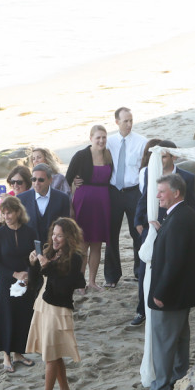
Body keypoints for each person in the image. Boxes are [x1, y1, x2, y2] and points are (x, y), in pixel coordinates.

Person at [138, 174, 195, 390]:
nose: (157, 195)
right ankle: (178, 379)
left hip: (172, 293)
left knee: (164, 341)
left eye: (162, 191)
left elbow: (175, 261)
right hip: (181, 292)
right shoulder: (181, 215)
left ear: (176, 193)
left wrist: (160, 292)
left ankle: (160, 387)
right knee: (178, 339)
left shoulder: (179, 219)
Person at [129, 140, 195, 327]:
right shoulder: (152, 172)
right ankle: (142, 310)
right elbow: (145, 198)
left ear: (173, 156)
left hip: (174, 231)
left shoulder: (187, 178)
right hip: (151, 229)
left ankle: (169, 304)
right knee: (144, 271)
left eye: (164, 156)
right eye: (158, 156)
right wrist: (138, 221)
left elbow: (191, 206)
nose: (160, 159)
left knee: (171, 268)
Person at [26, 217, 86, 390]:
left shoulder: (75, 257)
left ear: (69, 237)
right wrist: (34, 264)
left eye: (60, 235)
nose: (55, 238)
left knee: (50, 354)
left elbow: (64, 287)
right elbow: (36, 281)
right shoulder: (51, 252)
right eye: (54, 234)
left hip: (58, 308)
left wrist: (47, 266)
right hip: (43, 303)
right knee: (53, 351)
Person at [0, 196, 37, 373]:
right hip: (7, 280)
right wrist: (15, 274)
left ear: (18, 212)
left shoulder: (29, 232)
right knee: (6, 316)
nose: (6, 216)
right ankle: (6, 355)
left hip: (25, 280)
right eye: (4, 213)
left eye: (9, 213)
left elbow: (34, 256)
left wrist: (27, 273)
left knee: (23, 316)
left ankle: (18, 353)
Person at [65, 125, 113, 292]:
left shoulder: (108, 155)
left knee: (97, 245)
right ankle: (80, 282)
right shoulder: (81, 155)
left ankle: (92, 281)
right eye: (98, 137)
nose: (101, 141)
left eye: (104, 137)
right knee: (82, 244)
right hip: (83, 202)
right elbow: (67, 178)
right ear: (91, 138)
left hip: (102, 203)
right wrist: (74, 183)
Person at [104, 107, 148, 287]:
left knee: (137, 231)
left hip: (134, 191)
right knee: (111, 234)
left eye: (131, 120)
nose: (129, 124)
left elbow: (145, 167)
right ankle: (112, 277)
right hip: (114, 191)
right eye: (125, 121)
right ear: (117, 122)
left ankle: (140, 271)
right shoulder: (108, 142)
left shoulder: (141, 142)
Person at [18, 164, 72, 244]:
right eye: (34, 179)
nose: (36, 183)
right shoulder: (21, 199)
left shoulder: (62, 198)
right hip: (28, 248)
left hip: (54, 247)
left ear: (50, 180)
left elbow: (65, 227)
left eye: (41, 180)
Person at [0, 166, 34, 231]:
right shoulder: (6, 197)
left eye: (19, 182)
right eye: (12, 182)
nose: (15, 185)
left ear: (27, 183)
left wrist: (11, 202)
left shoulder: (31, 198)